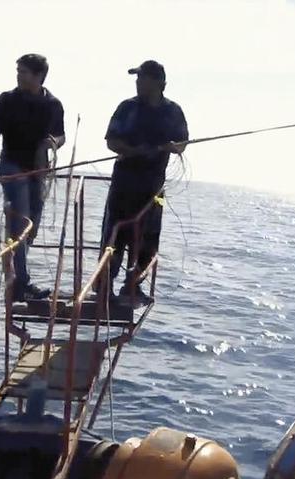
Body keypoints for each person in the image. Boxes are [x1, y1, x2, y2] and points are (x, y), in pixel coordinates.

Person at [0, 53, 65, 301]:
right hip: (12, 167)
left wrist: (52, 142)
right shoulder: (7, 100)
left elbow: (61, 135)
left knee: (32, 227)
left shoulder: (53, 105)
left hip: (38, 170)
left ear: (39, 76)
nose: (18, 75)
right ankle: (21, 284)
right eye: (17, 71)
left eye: (24, 71)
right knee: (21, 223)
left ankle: (17, 274)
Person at [100, 60, 188, 306]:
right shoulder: (126, 108)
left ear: (160, 83)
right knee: (114, 236)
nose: (139, 83)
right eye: (138, 79)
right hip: (124, 183)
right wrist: (134, 150)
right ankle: (104, 287)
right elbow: (111, 141)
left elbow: (182, 141)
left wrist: (174, 147)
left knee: (148, 238)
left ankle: (133, 285)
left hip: (154, 188)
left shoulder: (174, 111)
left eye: (143, 78)